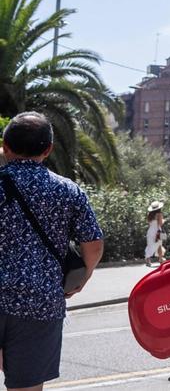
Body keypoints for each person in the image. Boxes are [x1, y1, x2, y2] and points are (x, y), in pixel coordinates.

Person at [0, 112, 105, 391]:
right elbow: (93, 245)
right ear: (48, 150)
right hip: (40, 303)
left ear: (5, 146)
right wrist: (81, 278)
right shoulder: (68, 191)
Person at [145, 202, 165, 267]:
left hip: (150, 231)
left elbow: (149, 223)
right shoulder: (159, 214)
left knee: (149, 245)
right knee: (159, 245)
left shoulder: (149, 215)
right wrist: (164, 220)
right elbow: (160, 224)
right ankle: (161, 259)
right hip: (157, 231)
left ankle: (148, 260)